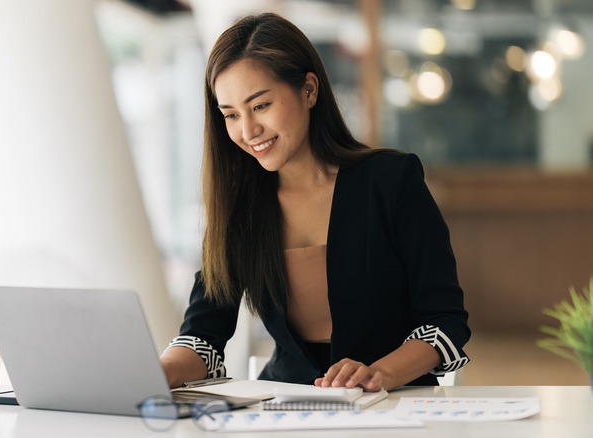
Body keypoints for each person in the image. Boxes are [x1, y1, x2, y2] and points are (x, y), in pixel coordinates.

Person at [159, 12, 470, 392]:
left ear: (309, 90)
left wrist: (381, 373)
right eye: (231, 115)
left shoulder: (390, 181)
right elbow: (202, 337)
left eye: (260, 106)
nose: (247, 130)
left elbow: (444, 321)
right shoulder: (240, 207)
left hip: (393, 404)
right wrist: (154, 372)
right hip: (284, 407)